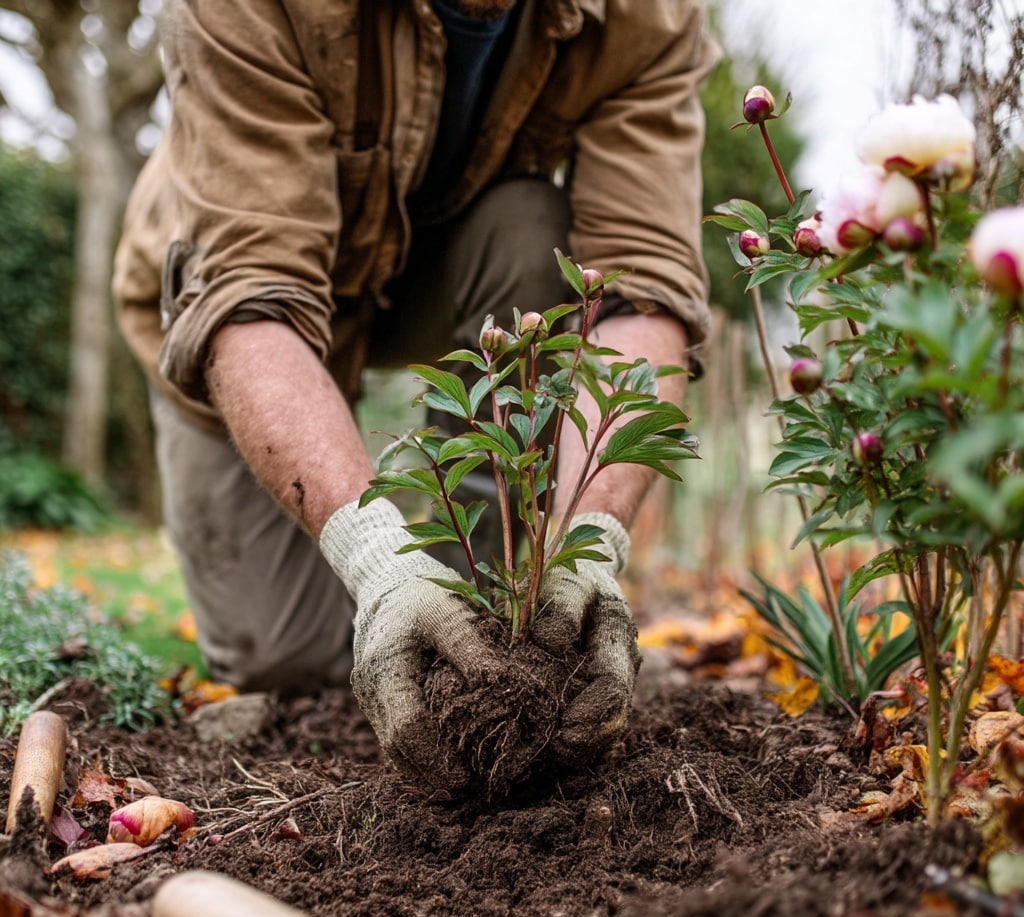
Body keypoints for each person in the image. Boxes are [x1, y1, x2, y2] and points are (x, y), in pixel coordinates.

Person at [113, 0, 718, 789]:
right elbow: (249, 296)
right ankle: (407, 608)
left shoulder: (649, 13)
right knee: (285, 661)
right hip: (249, 293)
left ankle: (496, 632)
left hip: (467, 264)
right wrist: (377, 565)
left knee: (534, 230)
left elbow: (643, 291)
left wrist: (593, 538)